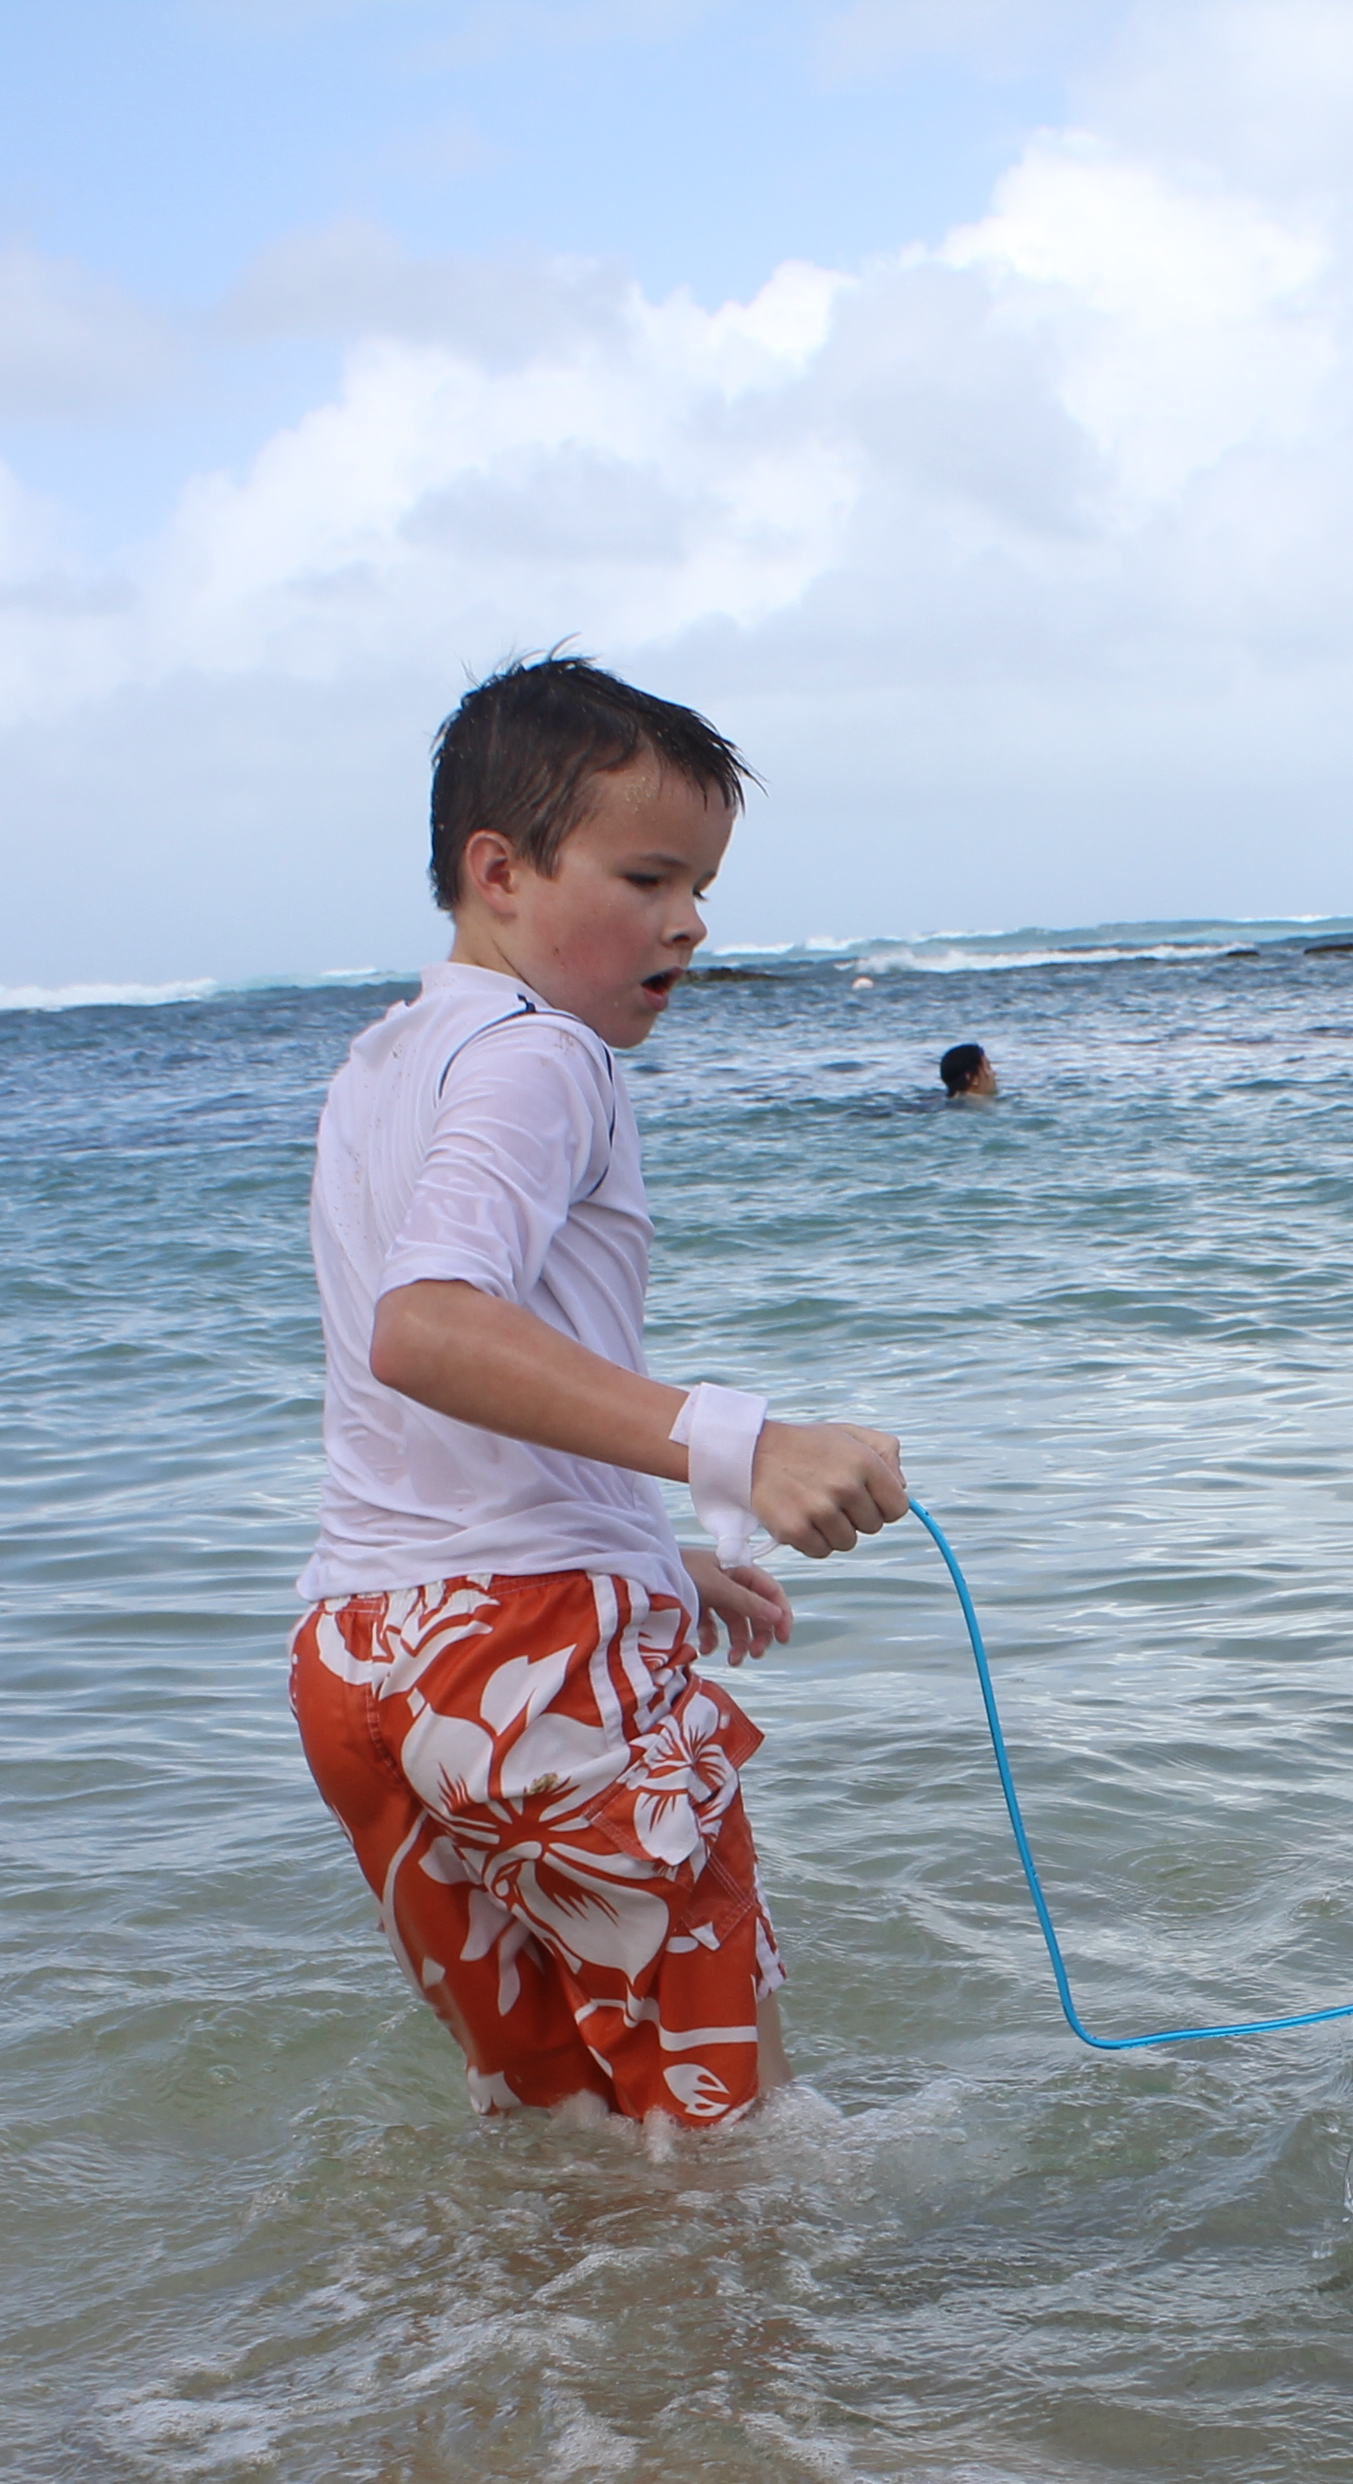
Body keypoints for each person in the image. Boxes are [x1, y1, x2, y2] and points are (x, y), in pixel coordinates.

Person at [287, 653, 909, 2129]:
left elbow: (436, 1420)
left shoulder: (383, 1058)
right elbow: (429, 1330)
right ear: (498, 871)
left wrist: (651, 1554)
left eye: (700, 884)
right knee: (720, 2135)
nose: (687, 921)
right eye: (646, 877)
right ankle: (734, 2367)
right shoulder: (545, 1053)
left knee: (557, 2127)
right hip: (533, 1661)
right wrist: (735, 1450)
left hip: (368, 1662)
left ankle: (520, 2360)